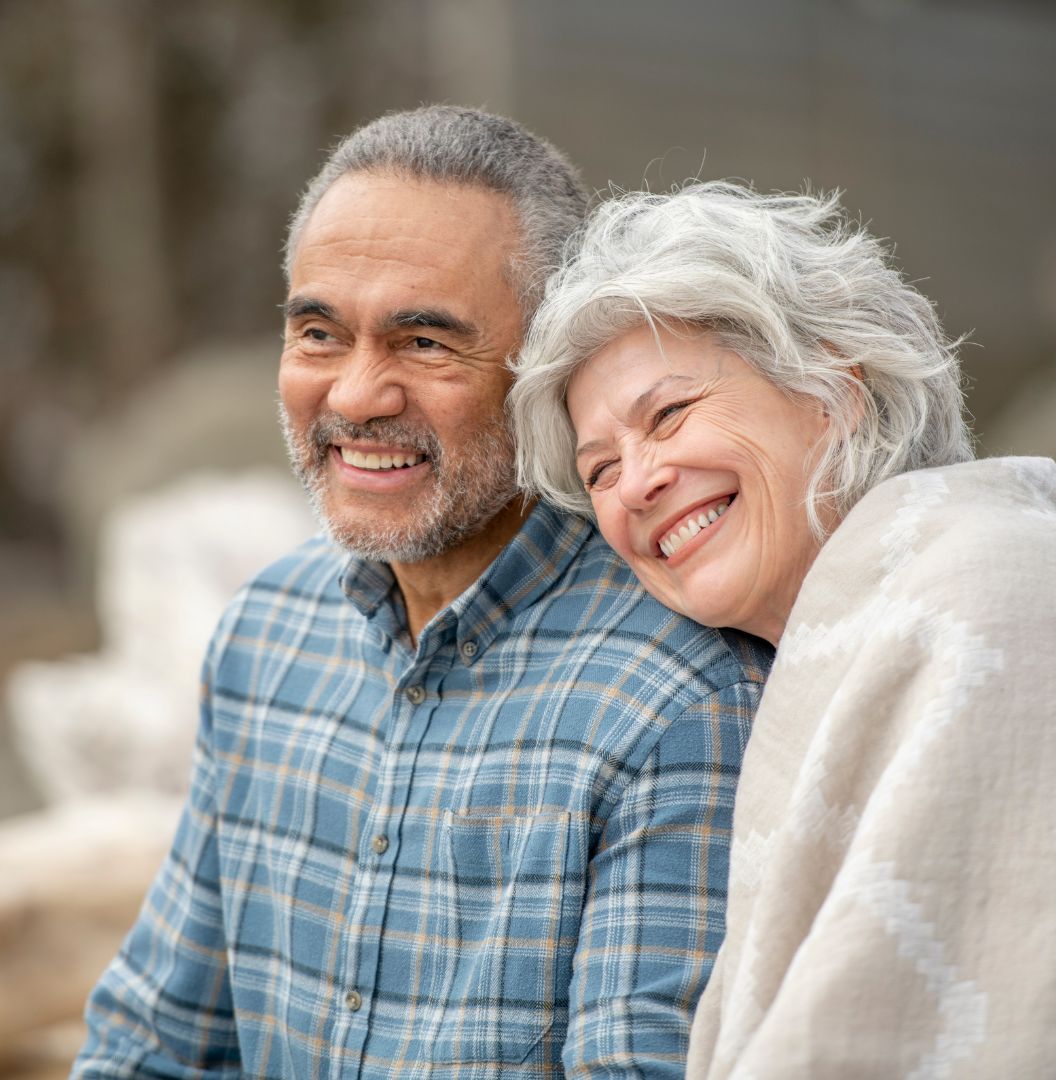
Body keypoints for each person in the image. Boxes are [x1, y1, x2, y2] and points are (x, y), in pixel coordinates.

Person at [72, 110, 773, 1078]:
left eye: (425, 343)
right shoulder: (267, 631)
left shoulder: (680, 695)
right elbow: (156, 1043)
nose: (356, 396)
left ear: (551, 369)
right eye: (318, 332)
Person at [511, 181, 1056, 1077]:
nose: (635, 483)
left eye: (668, 415)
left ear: (837, 388)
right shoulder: (800, 649)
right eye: (599, 469)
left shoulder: (992, 588)